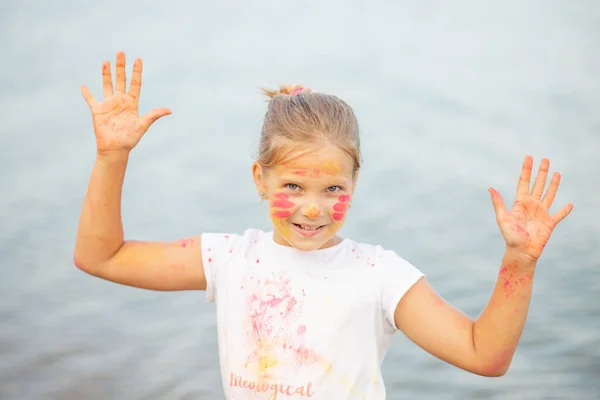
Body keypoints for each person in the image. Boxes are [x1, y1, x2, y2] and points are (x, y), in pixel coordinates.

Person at [74, 51, 573, 400]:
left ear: (354, 184)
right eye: (293, 186)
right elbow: (102, 257)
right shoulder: (230, 259)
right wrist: (111, 156)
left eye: (332, 189)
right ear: (260, 180)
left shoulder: (380, 275)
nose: (312, 209)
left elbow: (484, 354)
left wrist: (519, 262)